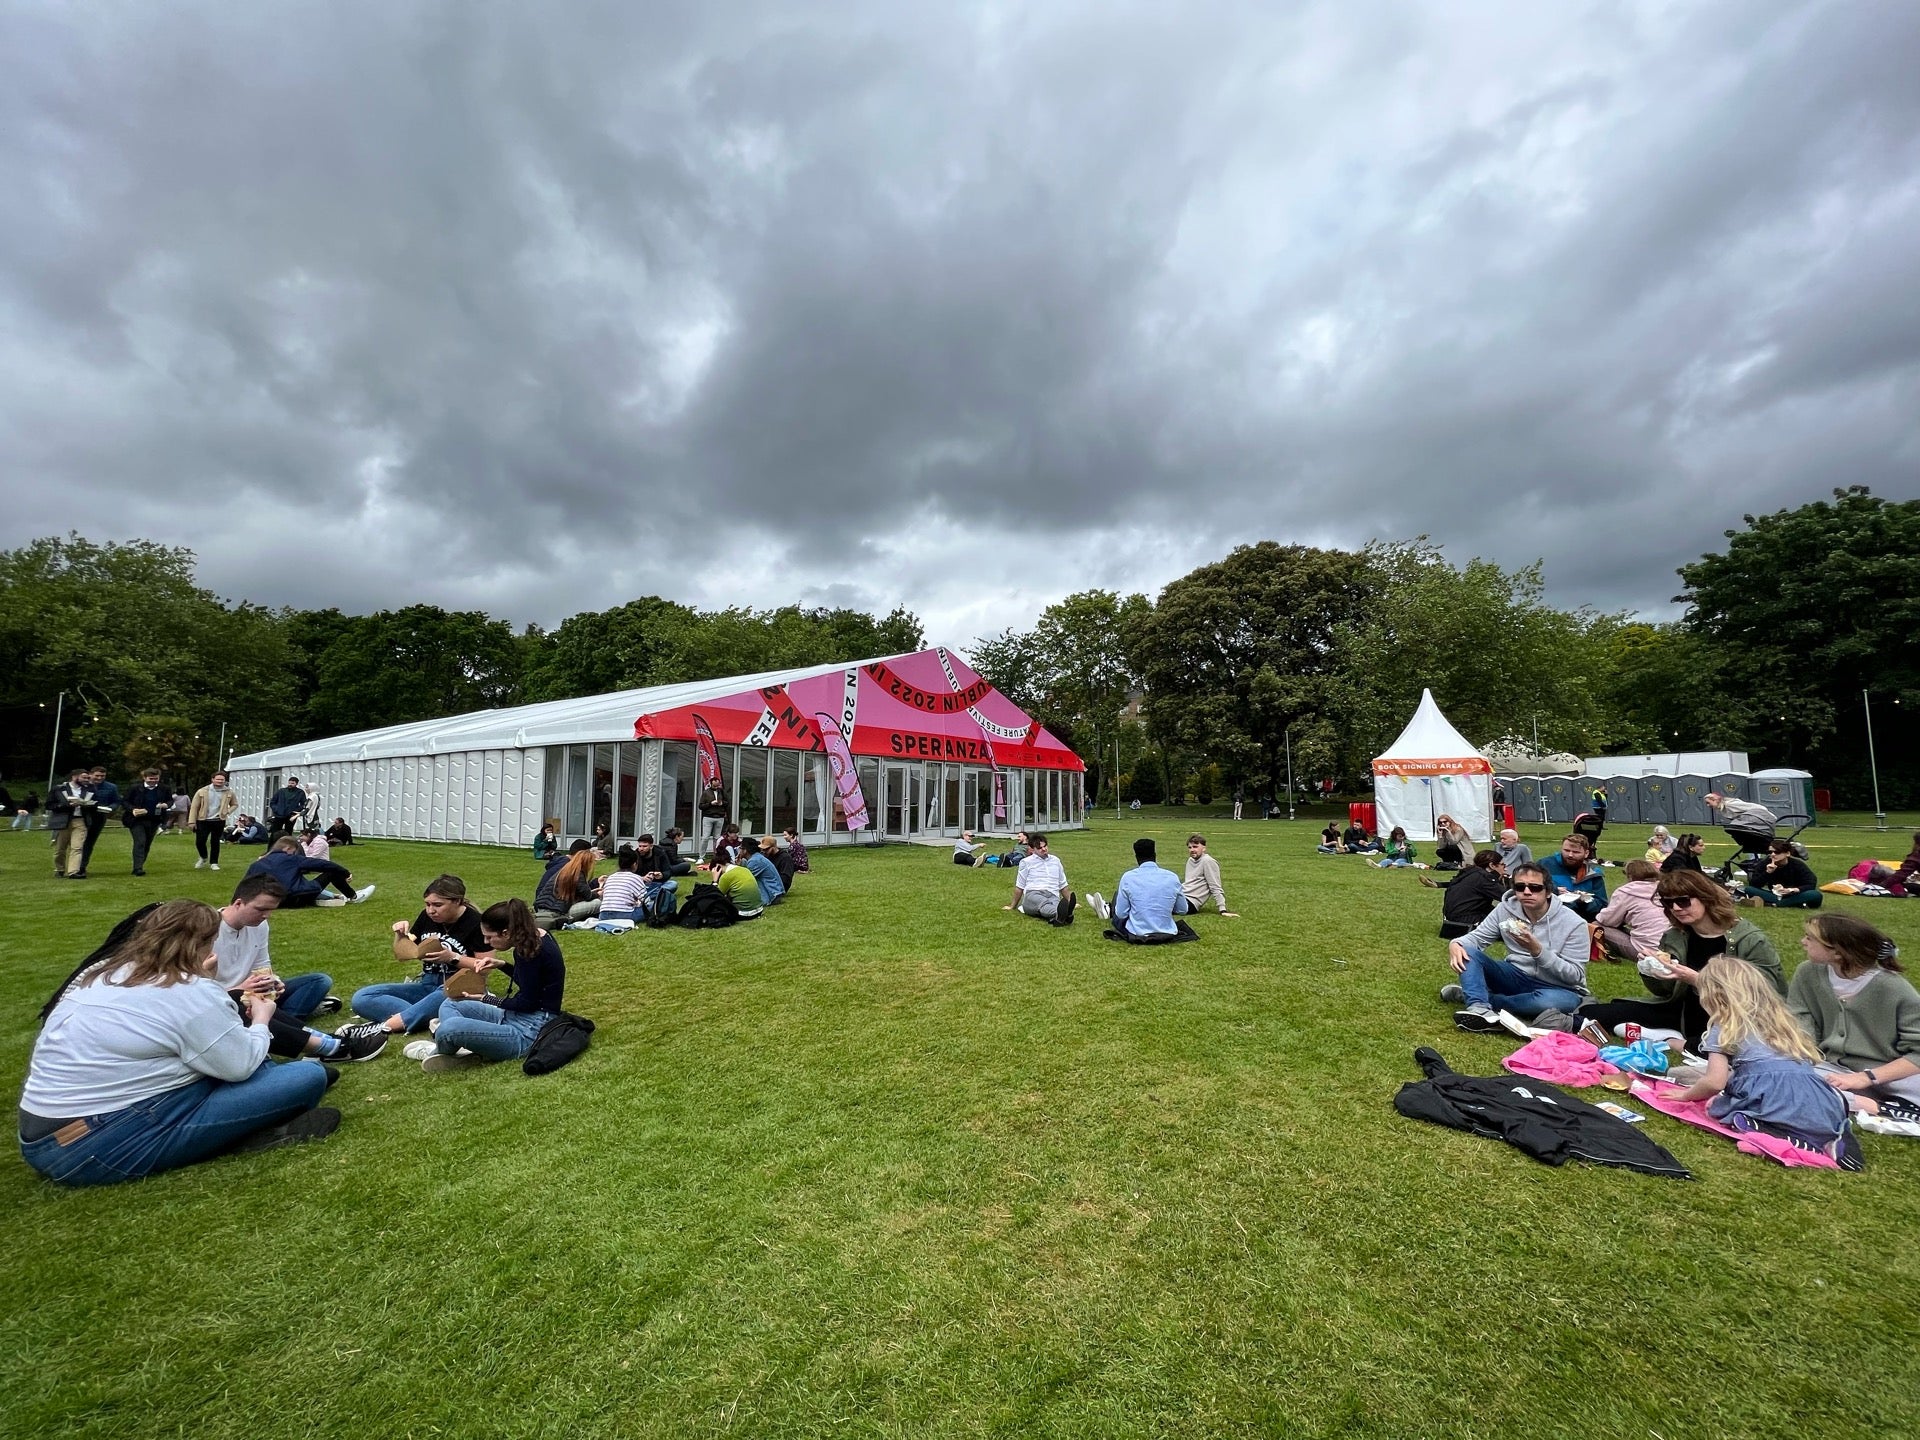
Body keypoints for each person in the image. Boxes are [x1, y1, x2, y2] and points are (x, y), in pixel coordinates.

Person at [19, 900, 338, 1185]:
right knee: (306, 1076)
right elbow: (240, 1066)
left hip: (43, 1135)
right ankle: (246, 1133)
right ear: (204, 944)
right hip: (96, 1144)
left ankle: (248, 1118)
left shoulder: (102, 974)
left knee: (233, 1064)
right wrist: (261, 1019)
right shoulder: (188, 992)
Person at [1665, 957, 1860, 1170]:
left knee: (1722, 1111)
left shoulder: (1723, 1027)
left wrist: (1686, 1095)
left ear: (1713, 997)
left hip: (1772, 1101)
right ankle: (1836, 1136)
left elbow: (1714, 1082)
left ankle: (1785, 1139)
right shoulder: (1781, 1024)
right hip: (1820, 1102)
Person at [1573, 869, 1784, 1052]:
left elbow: (1768, 993)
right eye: (1668, 903)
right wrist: (1651, 970)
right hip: (1682, 1009)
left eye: (1683, 901)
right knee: (1591, 1013)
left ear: (1706, 898)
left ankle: (1671, 1040)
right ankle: (1670, 1034)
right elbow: (1664, 991)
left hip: (1732, 1015)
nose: (1676, 908)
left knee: (1720, 1047)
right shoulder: (1675, 935)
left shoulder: (1749, 939)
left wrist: (1698, 980)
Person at [208, 875, 380, 1063]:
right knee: (245, 1005)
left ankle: (280, 1026)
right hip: (224, 1000)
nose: (266, 915)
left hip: (253, 994)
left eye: (271, 910)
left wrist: (273, 982)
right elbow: (195, 993)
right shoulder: (206, 931)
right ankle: (324, 1042)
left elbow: (262, 965)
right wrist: (239, 988)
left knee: (319, 981)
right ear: (239, 903)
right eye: (261, 909)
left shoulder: (260, 925)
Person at [337, 875, 496, 1042]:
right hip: (427, 985)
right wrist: (400, 936)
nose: (431, 910)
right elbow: (403, 954)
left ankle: (381, 1028)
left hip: (459, 987)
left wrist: (452, 957)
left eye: (437, 905)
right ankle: (425, 1017)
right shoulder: (427, 917)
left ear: (457, 901)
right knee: (362, 997)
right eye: (427, 904)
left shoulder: (476, 922)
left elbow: (486, 967)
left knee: (444, 996)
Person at [1789, 915, 1920, 1116]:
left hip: (1888, 1074)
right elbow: (1800, 1023)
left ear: (1838, 953)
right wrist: (1799, 1060)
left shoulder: (1893, 988)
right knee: (1781, 1073)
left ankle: (1875, 1106)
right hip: (1830, 1068)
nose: (1803, 942)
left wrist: (1866, 1077)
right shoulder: (1807, 973)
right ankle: (1872, 1104)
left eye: (1810, 938)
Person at [1442, 861, 1590, 1031]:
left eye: (1535, 888)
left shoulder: (1575, 923)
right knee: (1467, 950)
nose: (1527, 892)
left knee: (1550, 1003)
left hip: (1558, 987)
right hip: (1515, 974)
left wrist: (1538, 951)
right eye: (1520, 887)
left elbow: (1575, 976)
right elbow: (1476, 938)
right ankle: (1479, 1009)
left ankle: (1479, 996)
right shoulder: (1505, 909)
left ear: (1548, 891)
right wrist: (1456, 944)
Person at [423, 899, 565, 1072]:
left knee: (449, 1028)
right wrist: (502, 965)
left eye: (489, 937)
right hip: (516, 1017)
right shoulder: (537, 937)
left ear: (506, 933)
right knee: (451, 1002)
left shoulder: (532, 951)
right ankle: (465, 1044)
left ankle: (442, 1050)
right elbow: (532, 984)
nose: (487, 942)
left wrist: (486, 998)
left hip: (528, 1032)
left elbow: (529, 1003)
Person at [1087, 837, 1196, 943]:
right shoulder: (1172, 877)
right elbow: (1183, 910)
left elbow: (1121, 914)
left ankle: (1106, 909)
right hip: (1167, 930)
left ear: (1137, 857)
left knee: (1118, 897)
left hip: (1137, 931)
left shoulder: (1128, 877)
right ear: (1155, 855)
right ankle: (1106, 908)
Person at [242, 837, 374, 908]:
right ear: (288, 848)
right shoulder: (292, 859)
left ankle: (329, 897)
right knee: (331, 872)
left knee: (300, 882)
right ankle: (353, 897)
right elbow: (322, 864)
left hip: (274, 902)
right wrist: (345, 873)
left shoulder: (257, 864)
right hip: (297, 897)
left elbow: (246, 884)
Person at [1593, 859, 1668, 960]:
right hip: (1668, 949)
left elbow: (1607, 920)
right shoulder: (1664, 889)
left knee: (1596, 926)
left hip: (1645, 950)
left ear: (1630, 876)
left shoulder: (1626, 892)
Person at [1433, 850, 1507, 940]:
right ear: (1492, 865)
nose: (1505, 869)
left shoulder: (1467, 873)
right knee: (1512, 928)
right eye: (1503, 865)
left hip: (1451, 920)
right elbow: (1508, 897)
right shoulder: (1485, 878)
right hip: (1468, 920)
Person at [1005, 833, 1075, 925]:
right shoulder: (1026, 862)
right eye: (1040, 848)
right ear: (1032, 849)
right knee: (1043, 903)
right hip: (1033, 894)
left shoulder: (1055, 861)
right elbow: (1020, 887)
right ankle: (1064, 914)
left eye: (1045, 846)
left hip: (1052, 895)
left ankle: (1060, 917)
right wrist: (1012, 906)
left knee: (1054, 903)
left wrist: (1069, 901)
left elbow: (1063, 885)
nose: (1044, 849)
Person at [1539, 833, 1608, 920]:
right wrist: (1554, 890)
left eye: (1576, 852)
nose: (1570, 855)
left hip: (1582, 921)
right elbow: (1530, 889)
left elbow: (1602, 905)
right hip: (1550, 918)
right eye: (1566, 850)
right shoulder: (1545, 865)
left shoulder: (1593, 873)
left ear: (1586, 853)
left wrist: (1583, 900)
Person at [70, 765, 120, 878]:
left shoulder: (111, 787)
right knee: (76, 843)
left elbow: (116, 801)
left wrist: (111, 808)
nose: (100, 778)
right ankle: (70, 867)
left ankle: (81, 867)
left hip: (99, 817)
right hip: (82, 816)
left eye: (103, 776)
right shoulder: (83, 784)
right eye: (97, 775)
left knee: (88, 843)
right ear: (91, 774)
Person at [1740, 840, 1821, 908]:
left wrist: (1791, 890)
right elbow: (1754, 884)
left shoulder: (1796, 864)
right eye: (1770, 852)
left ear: (1787, 853)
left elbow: (1811, 883)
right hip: (1775, 895)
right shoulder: (1765, 863)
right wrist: (1768, 872)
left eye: (1777, 852)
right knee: (1748, 889)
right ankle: (1789, 903)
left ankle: (1780, 904)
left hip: (1795, 894)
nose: (1773, 854)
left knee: (1815, 895)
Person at [122, 768, 172, 876]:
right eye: (151, 779)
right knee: (140, 841)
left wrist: (166, 805)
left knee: (147, 844)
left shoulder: (164, 788)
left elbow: (170, 800)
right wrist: (133, 809)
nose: (153, 781)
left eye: (156, 779)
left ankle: (139, 864)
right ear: (144, 778)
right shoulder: (135, 788)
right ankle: (138, 868)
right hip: (137, 820)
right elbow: (125, 801)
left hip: (154, 819)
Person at [47, 766, 94, 878]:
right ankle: (60, 869)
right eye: (84, 777)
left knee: (77, 847)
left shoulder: (89, 789)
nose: (86, 780)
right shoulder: (58, 789)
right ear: (74, 777)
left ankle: (73, 872)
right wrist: (65, 805)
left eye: (87, 777)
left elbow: (94, 804)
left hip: (80, 820)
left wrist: (87, 804)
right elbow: (49, 805)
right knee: (60, 849)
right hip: (63, 820)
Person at [533, 839, 591, 926]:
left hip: (542, 902)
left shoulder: (560, 862)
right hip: (555, 907)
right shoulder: (570, 867)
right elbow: (584, 892)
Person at [188, 771, 239, 871]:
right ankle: (203, 857)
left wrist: (227, 812)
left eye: (222, 780)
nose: (220, 781)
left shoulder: (229, 792)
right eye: (218, 779)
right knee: (200, 841)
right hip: (203, 820)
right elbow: (194, 807)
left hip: (219, 820)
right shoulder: (202, 791)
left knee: (215, 842)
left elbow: (235, 804)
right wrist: (191, 822)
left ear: (225, 781)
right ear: (212, 779)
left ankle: (214, 862)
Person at [1181, 834, 1237, 916]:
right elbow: (1189, 883)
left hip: (1191, 902)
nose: (1192, 850)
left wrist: (1223, 910)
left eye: (1195, 847)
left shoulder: (1208, 861)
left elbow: (1215, 886)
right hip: (1182, 896)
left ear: (1204, 848)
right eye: (1190, 847)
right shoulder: (1190, 860)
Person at [550, 847, 602, 924]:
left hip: (553, 906)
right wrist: (598, 893)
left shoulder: (566, 870)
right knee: (599, 903)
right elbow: (588, 896)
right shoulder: (578, 874)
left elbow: (583, 893)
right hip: (561, 911)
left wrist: (597, 888)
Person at [707, 851, 766, 918]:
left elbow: (716, 896)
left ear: (718, 867)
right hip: (759, 910)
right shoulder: (744, 869)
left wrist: (715, 881)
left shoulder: (726, 876)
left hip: (744, 913)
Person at [266, 777, 309, 842]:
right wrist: (276, 809)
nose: (290, 784)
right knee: (275, 832)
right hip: (279, 814)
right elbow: (273, 802)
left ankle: (287, 845)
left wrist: (296, 811)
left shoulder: (300, 792)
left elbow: (303, 804)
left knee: (288, 831)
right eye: (289, 783)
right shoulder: (281, 791)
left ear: (296, 784)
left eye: (292, 783)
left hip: (291, 815)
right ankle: (273, 845)